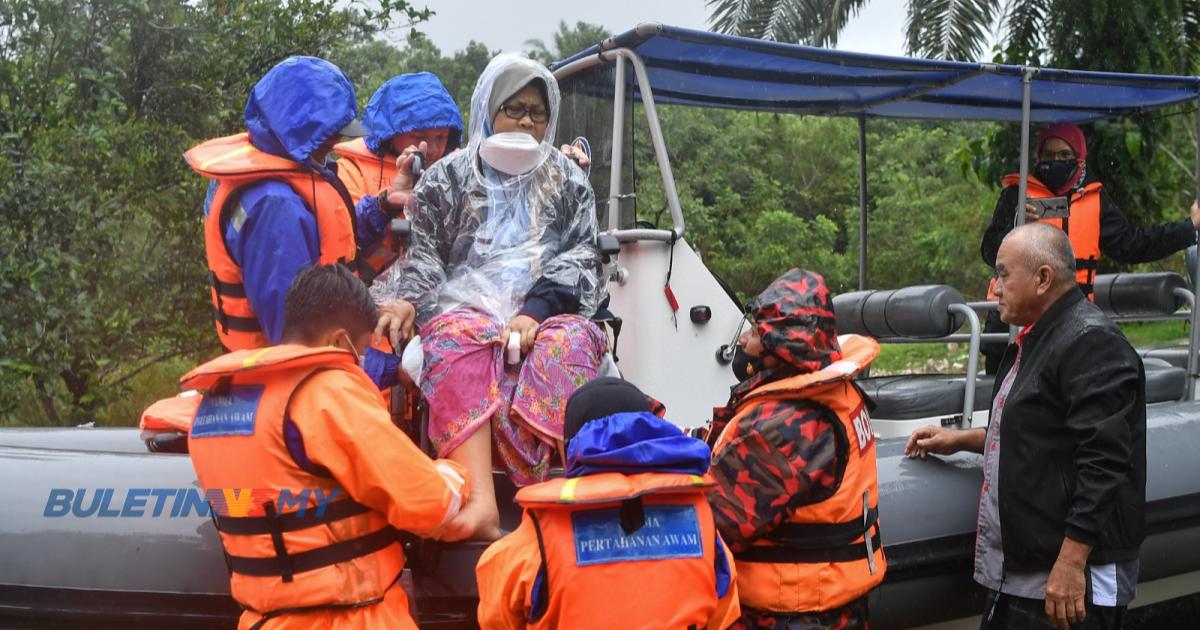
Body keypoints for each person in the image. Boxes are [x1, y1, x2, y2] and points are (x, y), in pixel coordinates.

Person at [371, 53, 607, 541]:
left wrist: (534, 311)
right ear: (489, 109)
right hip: (463, 310)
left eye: (536, 112)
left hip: (549, 309)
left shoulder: (569, 181)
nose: (525, 120)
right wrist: (413, 302)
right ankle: (481, 500)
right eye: (514, 108)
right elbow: (425, 257)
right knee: (460, 338)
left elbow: (583, 257)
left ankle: (544, 493)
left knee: (573, 344)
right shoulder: (446, 178)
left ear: (550, 118)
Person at [184, 264, 469, 629]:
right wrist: (456, 473)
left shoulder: (214, 403)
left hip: (263, 619)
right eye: (362, 350)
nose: (361, 362)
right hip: (352, 618)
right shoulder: (326, 394)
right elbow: (429, 503)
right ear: (338, 342)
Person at [908, 223, 1146, 630]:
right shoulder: (1041, 338)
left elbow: (1105, 462)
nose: (993, 288)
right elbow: (1043, 434)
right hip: (1027, 570)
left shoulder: (1090, 342)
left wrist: (1071, 562)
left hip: (1070, 575)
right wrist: (963, 439)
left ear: (1042, 279)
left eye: (1002, 274)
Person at [185, 56, 413, 389]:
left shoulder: (279, 163)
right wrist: (393, 369)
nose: (335, 141)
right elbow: (297, 343)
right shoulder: (274, 209)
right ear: (301, 130)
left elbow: (326, 238)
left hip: (287, 380)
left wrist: (381, 206)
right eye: (329, 134)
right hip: (284, 392)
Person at [475, 377, 740, 629]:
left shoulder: (540, 532)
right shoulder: (700, 521)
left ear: (570, 452)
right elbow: (723, 611)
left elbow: (497, 616)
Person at [705, 269, 886, 630]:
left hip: (791, 616)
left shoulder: (785, 427)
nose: (743, 341)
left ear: (783, 349)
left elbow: (715, 522)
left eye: (757, 333)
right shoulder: (833, 395)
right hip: (835, 610)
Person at [979, 122, 1200, 371]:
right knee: (1004, 395)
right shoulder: (1016, 195)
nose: (1056, 161)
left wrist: (1189, 227)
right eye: (1049, 155)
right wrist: (1015, 226)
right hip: (1014, 320)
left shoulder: (1095, 198)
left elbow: (1131, 245)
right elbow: (989, 251)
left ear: (1080, 159)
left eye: (1065, 155)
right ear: (1038, 158)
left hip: (1070, 318)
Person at [334, 72, 464, 276]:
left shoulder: (457, 172)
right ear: (390, 134)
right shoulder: (351, 170)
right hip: (366, 294)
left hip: (436, 293)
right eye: (419, 136)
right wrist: (384, 205)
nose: (430, 148)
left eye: (441, 137)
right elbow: (342, 233)